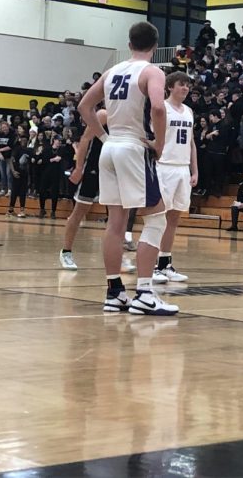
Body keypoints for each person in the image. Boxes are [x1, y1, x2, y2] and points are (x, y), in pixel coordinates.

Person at [78, 21, 178, 316]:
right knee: (157, 218)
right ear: (155, 46)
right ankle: (145, 293)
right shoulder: (152, 71)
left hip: (109, 149)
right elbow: (159, 108)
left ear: (129, 42)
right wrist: (159, 144)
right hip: (134, 147)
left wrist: (104, 137)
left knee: (115, 223)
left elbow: (85, 106)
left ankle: (114, 293)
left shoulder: (111, 72)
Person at [150, 71, 196, 282]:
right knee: (158, 217)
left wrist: (194, 170)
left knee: (174, 218)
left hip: (182, 168)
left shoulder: (189, 111)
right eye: (181, 84)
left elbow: (191, 142)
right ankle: (151, 265)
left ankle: (164, 263)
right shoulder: (161, 109)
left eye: (187, 85)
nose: (185, 88)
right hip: (164, 166)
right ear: (170, 86)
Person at [58, 109, 106, 271]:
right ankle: (66, 252)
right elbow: (85, 139)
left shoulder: (129, 116)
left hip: (113, 170)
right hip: (93, 168)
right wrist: (78, 168)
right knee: (80, 211)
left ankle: (118, 255)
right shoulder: (103, 115)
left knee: (117, 215)